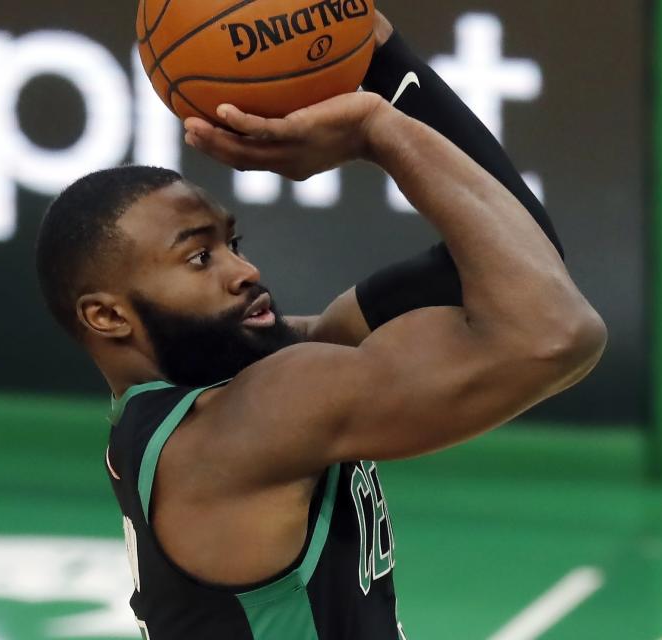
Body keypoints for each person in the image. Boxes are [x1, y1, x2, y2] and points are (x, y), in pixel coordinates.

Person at [35, 10, 606, 640]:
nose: (244, 271)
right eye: (200, 257)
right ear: (108, 316)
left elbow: (518, 255)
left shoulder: (248, 386)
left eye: (234, 243)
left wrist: (383, 56)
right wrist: (378, 128)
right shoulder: (245, 425)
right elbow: (556, 333)